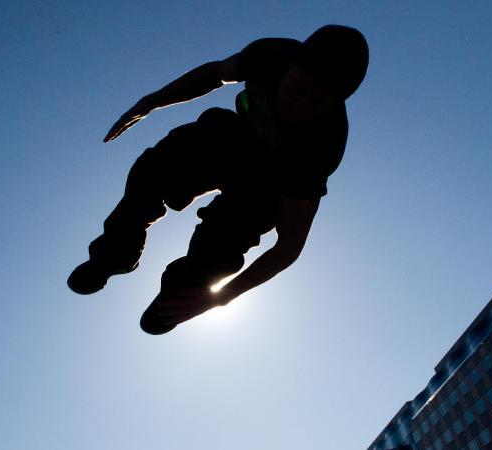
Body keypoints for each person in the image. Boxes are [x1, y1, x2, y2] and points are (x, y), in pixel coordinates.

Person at [68, 25, 369, 335]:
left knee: (232, 231)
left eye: (318, 103)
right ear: (290, 66)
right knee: (155, 169)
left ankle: (184, 288)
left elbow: (288, 247)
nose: (300, 106)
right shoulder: (271, 55)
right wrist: (151, 101)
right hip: (231, 140)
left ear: (334, 104)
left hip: (268, 182)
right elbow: (213, 75)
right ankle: (115, 254)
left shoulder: (323, 147)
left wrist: (220, 298)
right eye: (300, 88)